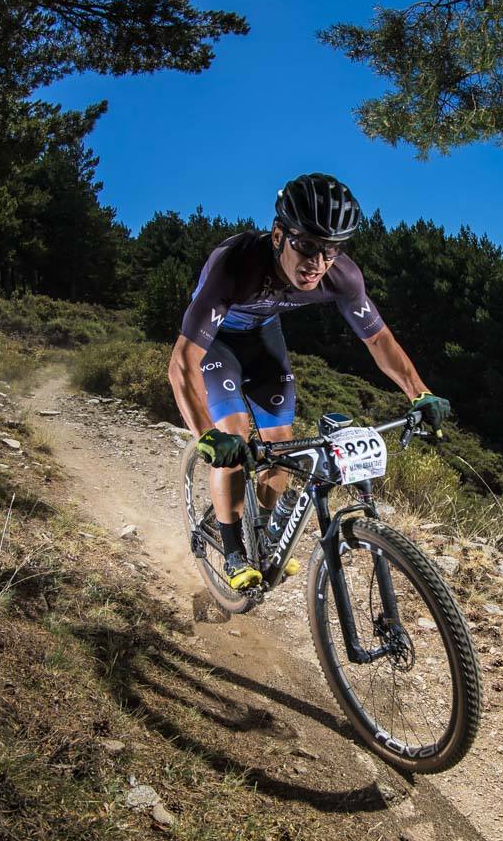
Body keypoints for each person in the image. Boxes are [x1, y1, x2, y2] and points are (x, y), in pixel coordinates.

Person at [168, 172, 450, 591]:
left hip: (263, 339)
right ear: (279, 235)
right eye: (306, 246)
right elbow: (181, 363)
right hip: (217, 343)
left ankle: (259, 533)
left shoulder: (342, 277)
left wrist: (420, 392)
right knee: (236, 436)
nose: (317, 263)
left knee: (280, 447)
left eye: (331, 250)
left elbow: (379, 339)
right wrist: (205, 434)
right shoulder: (235, 265)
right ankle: (231, 549)